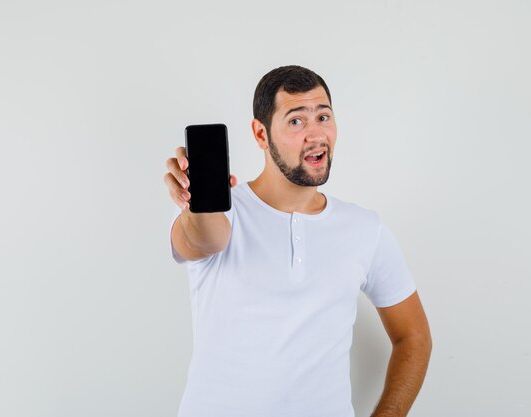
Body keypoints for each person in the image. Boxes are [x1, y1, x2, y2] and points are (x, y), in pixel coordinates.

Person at [163, 65, 432, 417]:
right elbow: (204, 239)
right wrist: (194, 204)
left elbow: (413, 336)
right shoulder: (223, 213)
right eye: (296, 121)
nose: (316, 133)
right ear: (261, 135)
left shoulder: (365, 228)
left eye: (323, 116)